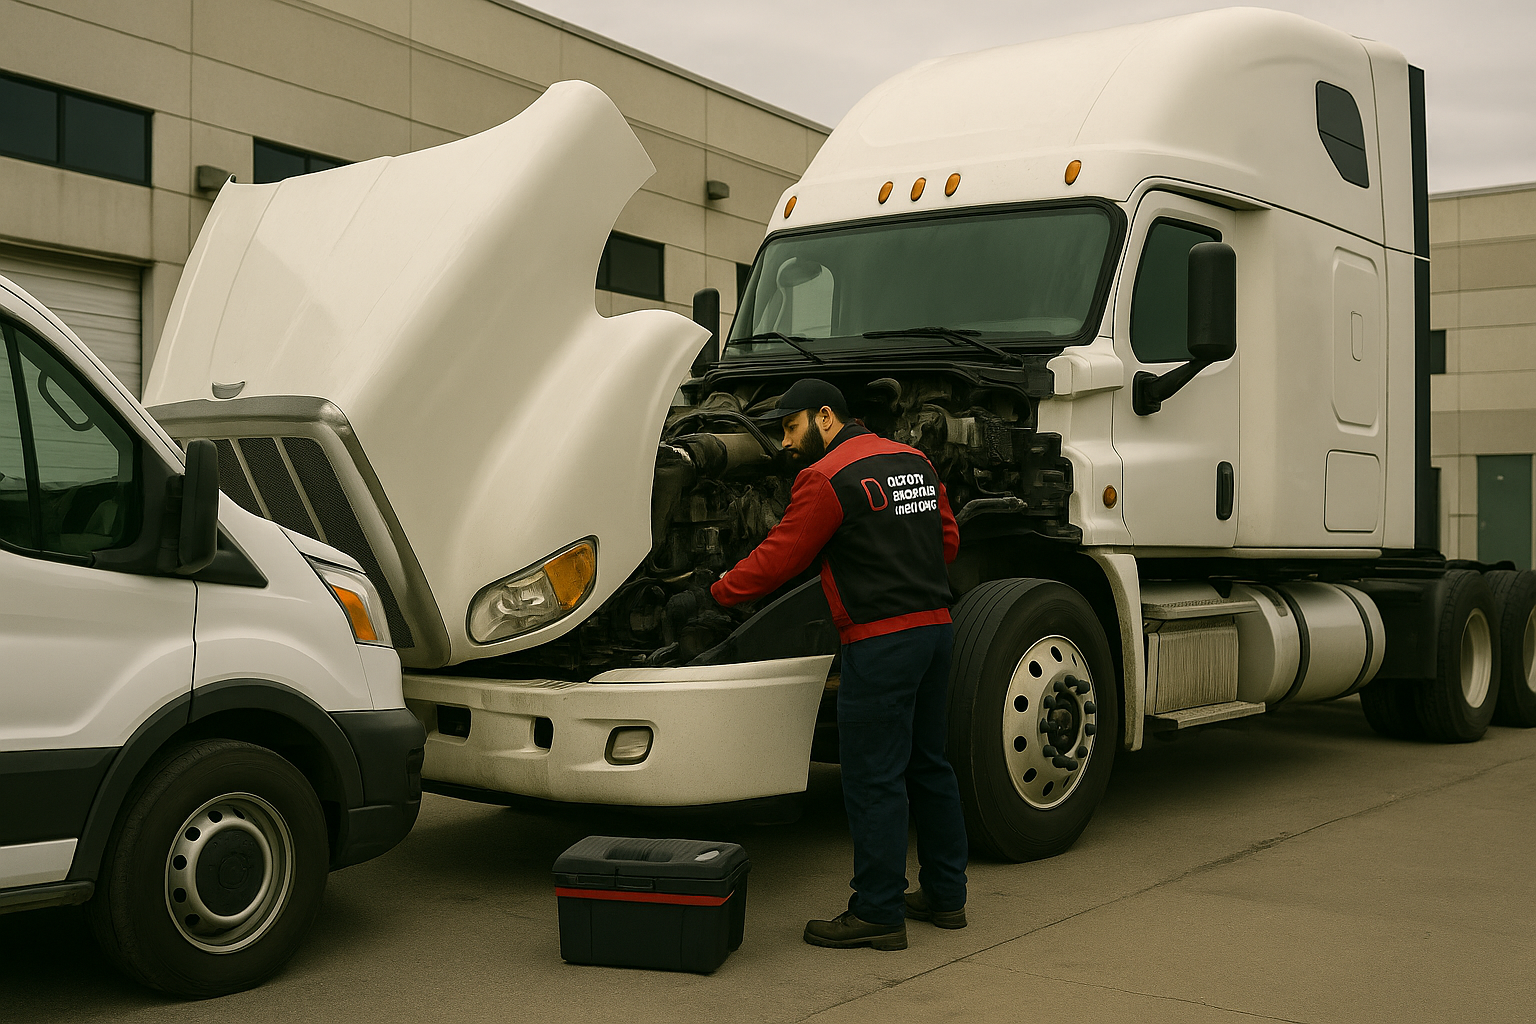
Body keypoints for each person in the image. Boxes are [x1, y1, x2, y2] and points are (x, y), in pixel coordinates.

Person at [709, 378, 968, 951]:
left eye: (792, 426)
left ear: (826, 417)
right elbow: (946, 540)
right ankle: (946, 896)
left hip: (881, 643)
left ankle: (877, 911)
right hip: (935, 630)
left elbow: (782, 556)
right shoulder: (915, 460)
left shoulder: (826, 478)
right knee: (930, 766)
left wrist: (719, 592)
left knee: (874, 778)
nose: (787, 441)